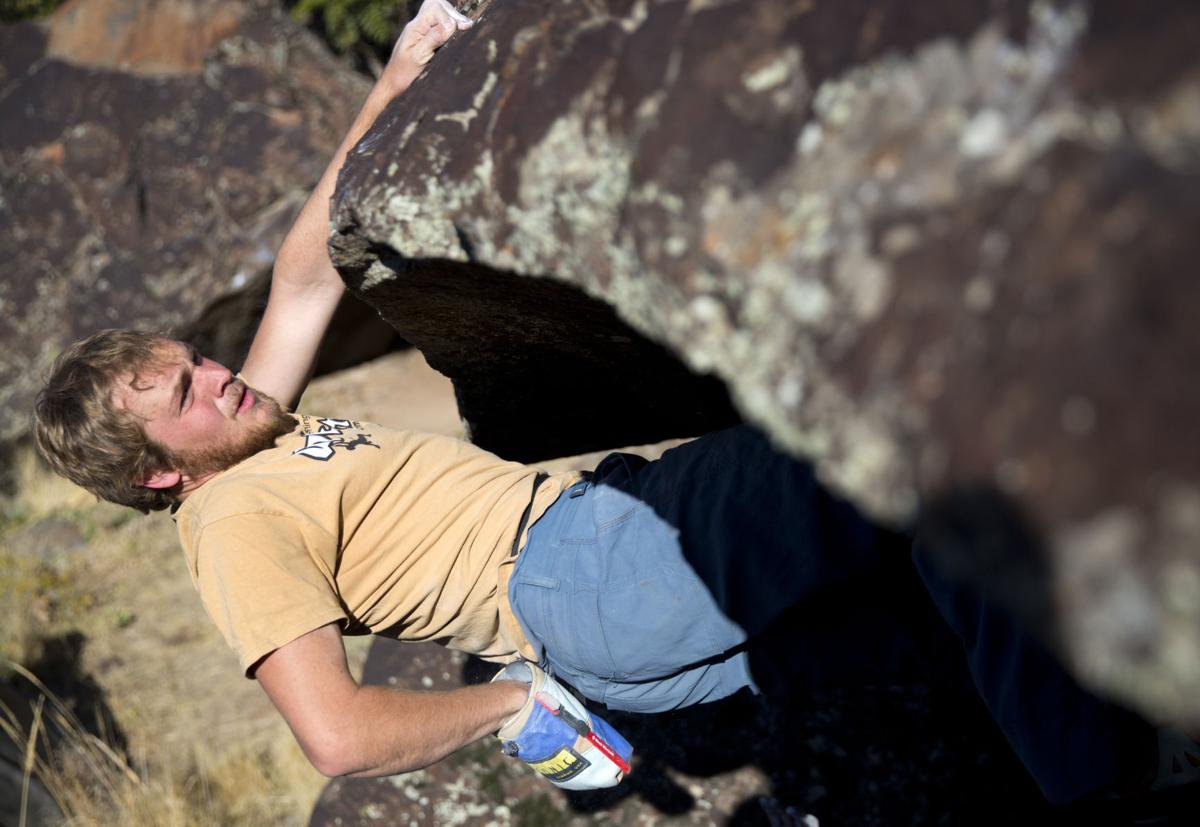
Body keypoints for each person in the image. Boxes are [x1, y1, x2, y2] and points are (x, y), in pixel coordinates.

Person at [28, 0, 1200, 817]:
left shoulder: (258, 433)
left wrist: (393, 85)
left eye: (193, 359)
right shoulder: (229, 525)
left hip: (606, 569)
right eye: (181, 392)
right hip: (575, 573)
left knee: (922, 563)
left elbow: (301, 277)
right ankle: (1108, 785)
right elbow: (331, 732)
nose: (215, 374)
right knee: (908, 438)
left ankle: (1099, 762)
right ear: (158, 474)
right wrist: (512, 703)